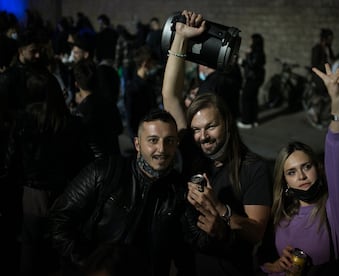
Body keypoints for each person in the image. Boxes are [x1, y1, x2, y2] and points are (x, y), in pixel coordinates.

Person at [162, 10, 272, 276]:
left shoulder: (253, 167)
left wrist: (221, 210)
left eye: (211, 126)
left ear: (227, 122)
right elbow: (170, 95)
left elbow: (256, 231)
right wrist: (181, 38)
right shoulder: (191, 147)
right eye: (197, 129)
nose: (203, 136)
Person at [48, 108, 196, 276]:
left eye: (169, 141)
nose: (161, 149)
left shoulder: (179, 190)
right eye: (153, 140)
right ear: (137, 144)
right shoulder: (105, 171)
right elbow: (59, 218)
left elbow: (185, 253)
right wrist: (90, 264)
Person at [257, 64, 339, 275]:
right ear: (284, 181)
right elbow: (264, 261)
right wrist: (272, 266)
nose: (302, 176)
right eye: (292, 172)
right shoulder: (279, 215)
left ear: (319, 168)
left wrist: (338, 108)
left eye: (306, 166)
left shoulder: (335, 210)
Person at [1, 68, 93, 276]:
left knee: (30, 249)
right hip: (66, 193)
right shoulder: (71, 123)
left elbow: (11, 160)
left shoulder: (23, 121)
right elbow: (84, 160)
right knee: (62, 249)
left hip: (32, 194)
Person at [124, 45, 159, 140]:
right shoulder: (133, 89)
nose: (155, 66)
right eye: (154, 63)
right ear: (146, 63)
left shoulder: (149, 83)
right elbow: (130, 119)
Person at [238, 33, 266, 129]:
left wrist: (245, 58)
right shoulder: (260, 51)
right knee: (253, 99)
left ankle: (246, 121)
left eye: (251, 40)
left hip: (252, 78)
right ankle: (254, 120)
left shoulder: (255, 52)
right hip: (257, 78)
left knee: (246, 98)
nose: (249, 41)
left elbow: (252, 65)